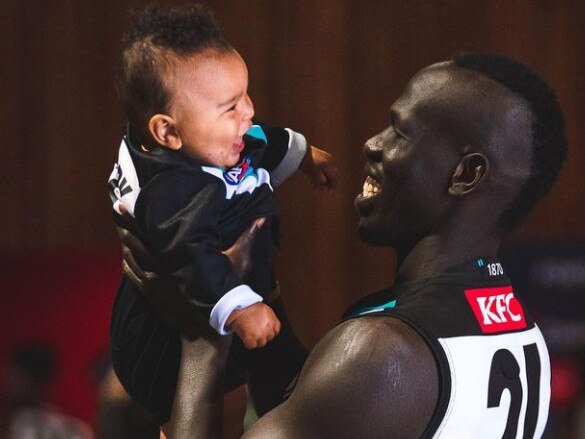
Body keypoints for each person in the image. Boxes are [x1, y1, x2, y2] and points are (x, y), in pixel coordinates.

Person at [122, 52, 566, 438]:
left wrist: (204, 337)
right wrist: (251, 282)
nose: (372, 144)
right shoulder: (524, 335)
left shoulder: (379, 354)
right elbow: (317, 408)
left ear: (466, 175)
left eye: (400, 132)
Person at [107, 3, 337, 436]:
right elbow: (193, 256)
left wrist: (301, 153)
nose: (248, 111)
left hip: (239, 294)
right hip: (167, 336)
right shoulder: (169, 190)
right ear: (167, 132)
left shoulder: (201, 139)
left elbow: (254, 135)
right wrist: (238, 306)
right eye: (230, 106)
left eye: (245, 94)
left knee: (288, 379)